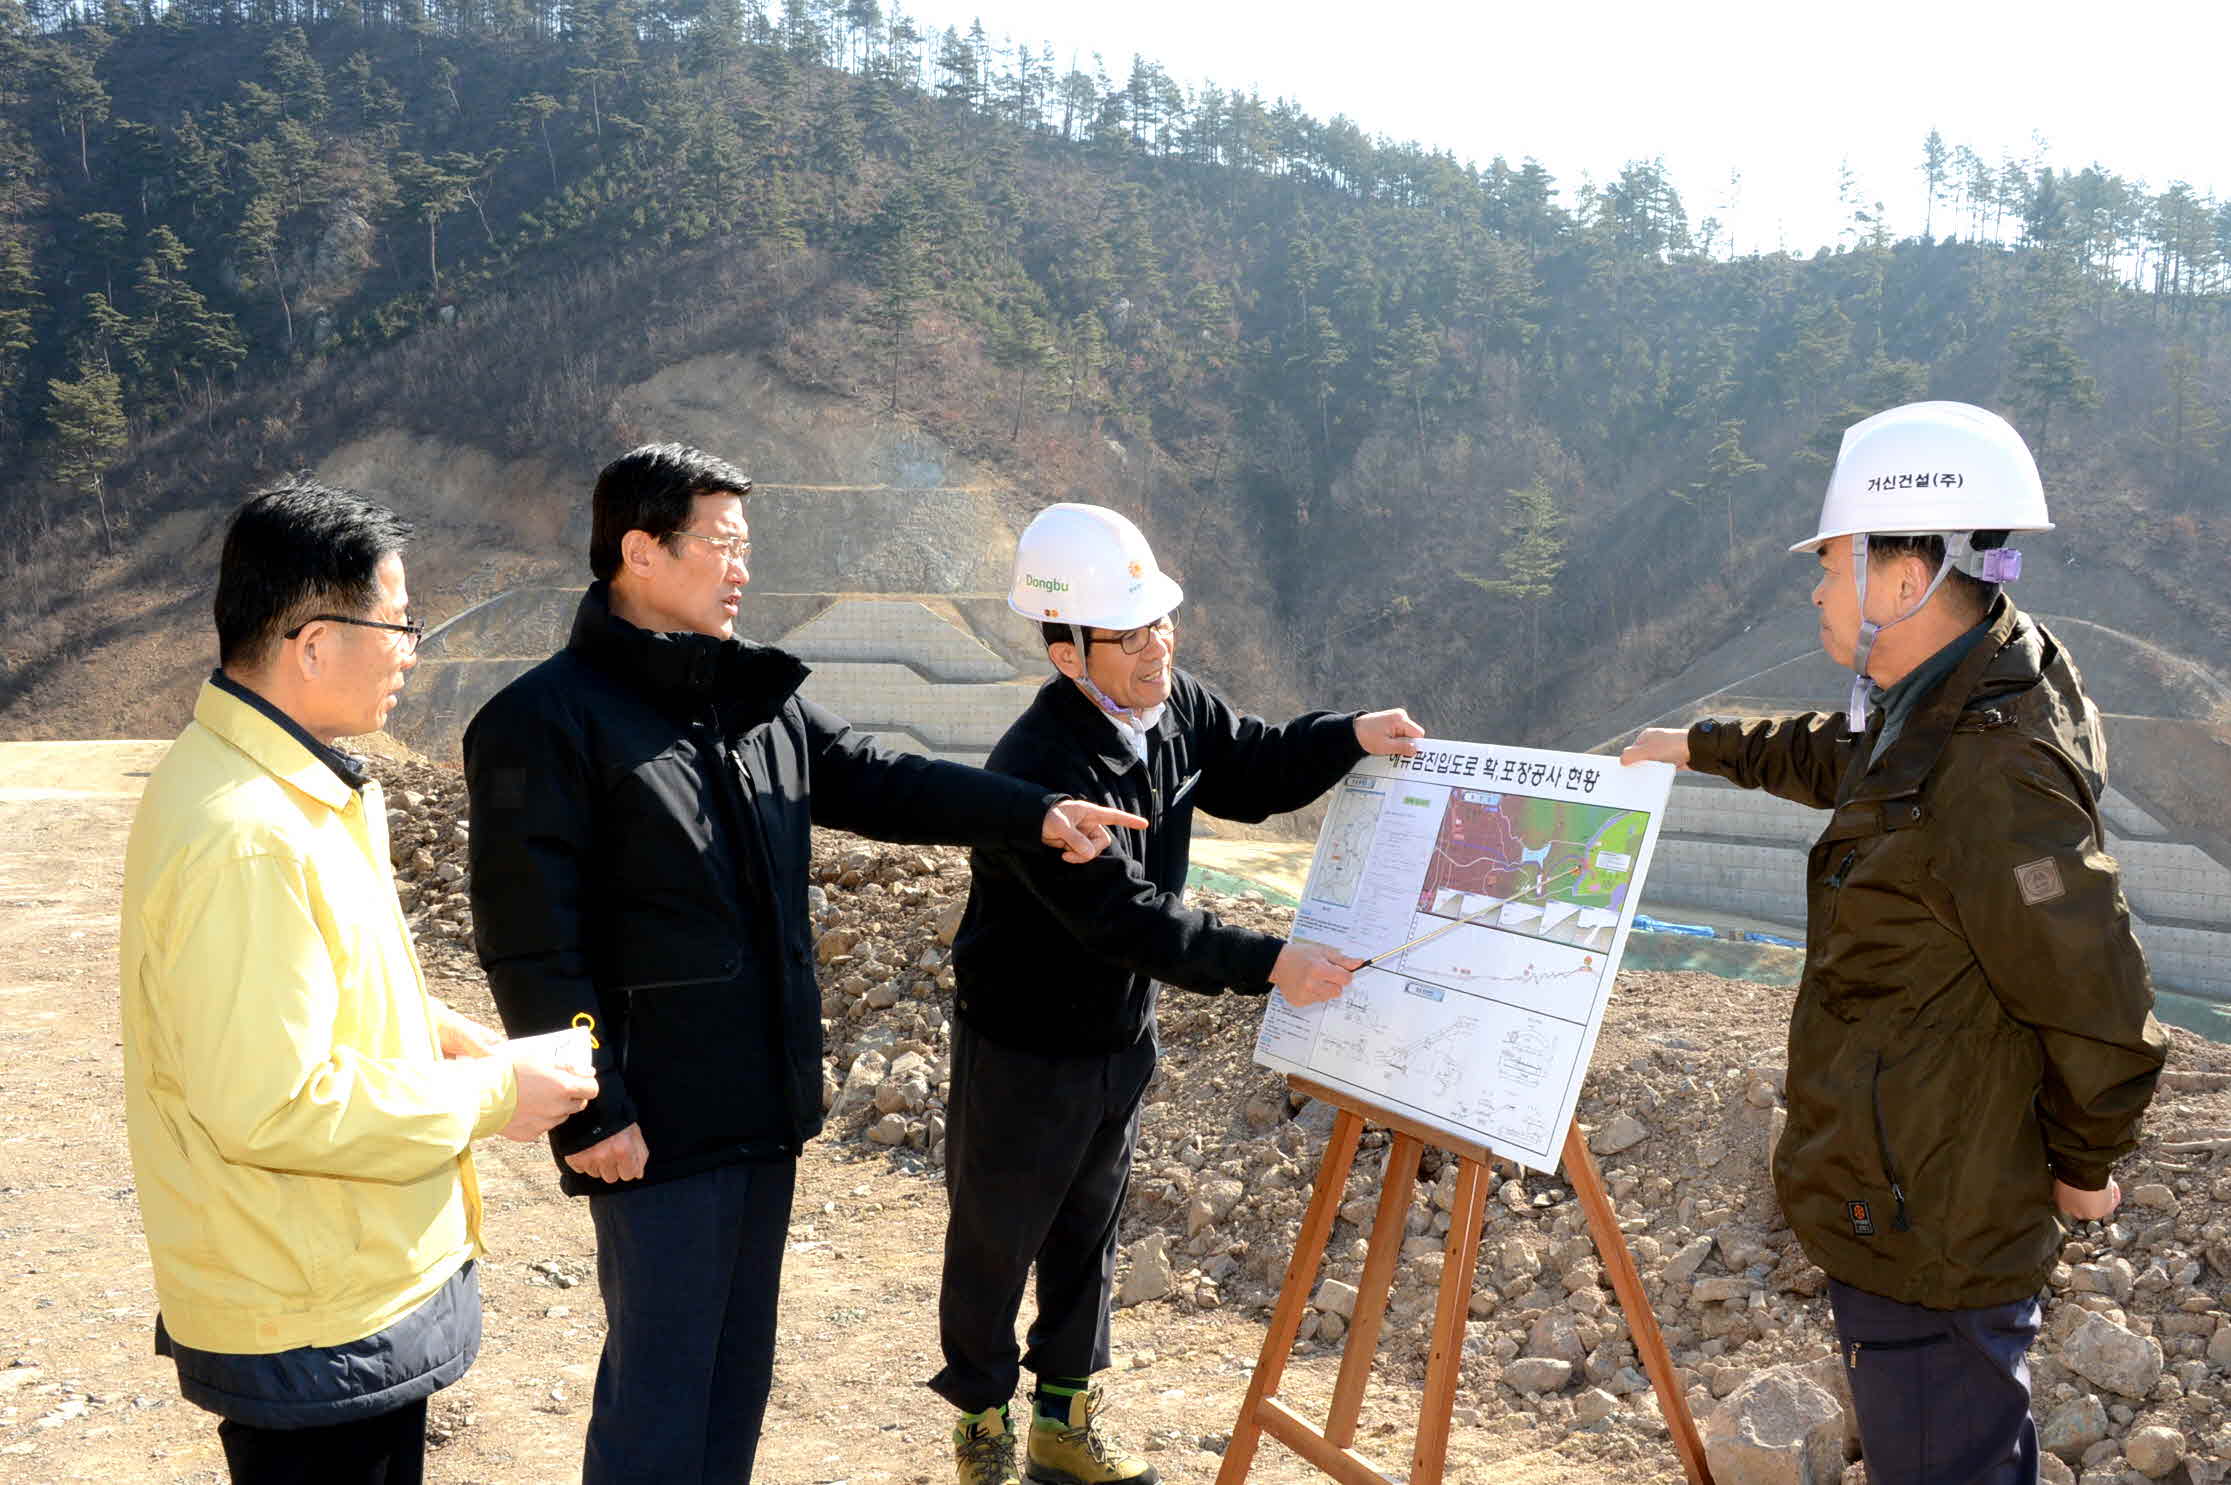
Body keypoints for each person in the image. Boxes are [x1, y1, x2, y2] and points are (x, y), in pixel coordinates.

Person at [461, 444, 1146, 1485]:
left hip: (759, 1106)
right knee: (659, 1384)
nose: (742, 569)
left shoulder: (750, 698)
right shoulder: (541, 723)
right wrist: (589, 1110)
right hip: (652, 1120)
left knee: (735, 1377)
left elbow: (883, 782)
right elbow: (529, 939)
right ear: (639, 552)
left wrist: (1034, 812)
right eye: (720, 546)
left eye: (746, 547)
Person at [1622, 402, 2166, 1485]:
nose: (1815, 592)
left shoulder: (1992, 769)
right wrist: (1697, 746)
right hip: (1912, 1175)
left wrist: (2083, 1162)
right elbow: (1847, 757)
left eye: (1827, 568)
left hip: (1933, 1218)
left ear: (1901, 578)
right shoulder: (1949, 692)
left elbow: (2092, 991)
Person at [933, 502, 1424, 1485]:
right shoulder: (1039, 769)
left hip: (1116, 1034)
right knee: (997, 1237)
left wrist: (1348, 736)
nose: (1156, 646)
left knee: (1088, 1231)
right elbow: (1128, 918)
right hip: (1024, 1043)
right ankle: (981, 1424)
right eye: (1129, 634)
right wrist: (1269, 962)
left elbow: (1250, 768)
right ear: (1066, 653)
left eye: (1162, 621)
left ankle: (1064, 1423)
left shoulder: (1171, 707)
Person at [119, 480, 598, 1485]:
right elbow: (275, 1103)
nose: (412, 649)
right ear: (313, 641)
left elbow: (300, 985)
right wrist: (497, 1096)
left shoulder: (279, 782)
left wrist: (436, 1029)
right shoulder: (249, 834)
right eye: (397, 621)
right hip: (306, 1303)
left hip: (321, 1283)